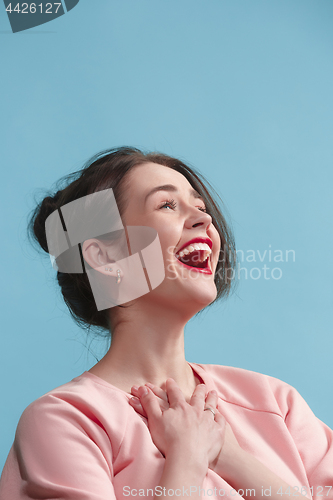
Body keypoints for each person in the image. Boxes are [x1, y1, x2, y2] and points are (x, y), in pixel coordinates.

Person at [0, 147, 332, 500]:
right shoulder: (68, 420)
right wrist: (187, 457)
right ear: (105, 256)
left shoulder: (275, 403)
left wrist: (229, 457)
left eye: (201, 208)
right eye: (167, 205)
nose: (203, 219)